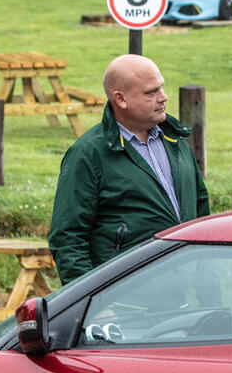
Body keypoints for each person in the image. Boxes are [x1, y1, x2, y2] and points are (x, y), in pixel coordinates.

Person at [49, 54, 210, 283]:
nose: (163, 98)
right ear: (120, 99)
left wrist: (210, 292)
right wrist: (95, 304)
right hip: (124, 301)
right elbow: (68, 240)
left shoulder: (176, 141)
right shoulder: (89, 153)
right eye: (151, 92)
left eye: (161, 88)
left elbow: (202, 218)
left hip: (182, 294)